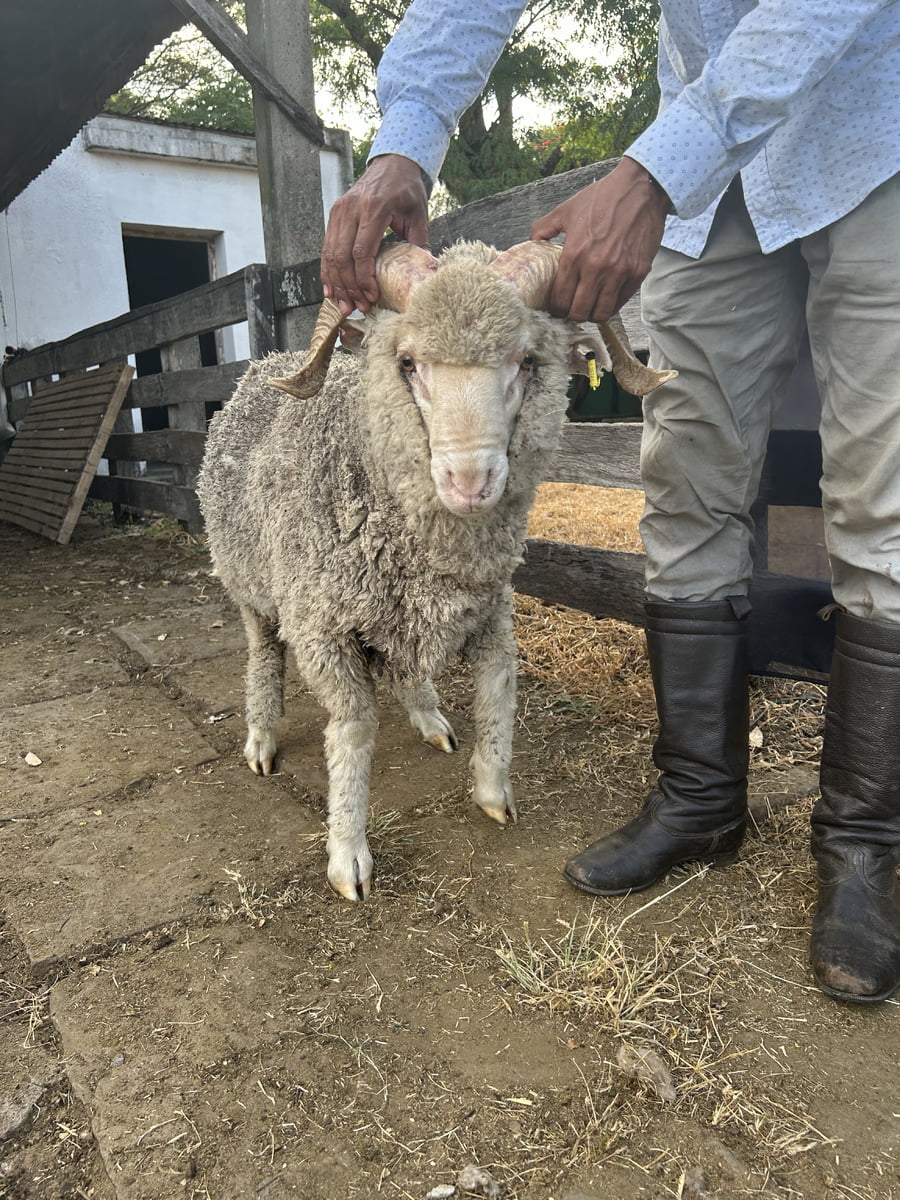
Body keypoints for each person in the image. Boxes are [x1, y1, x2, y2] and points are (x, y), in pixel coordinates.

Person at [320, 0, 900, 1005]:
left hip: (871, 134)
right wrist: (403, 145)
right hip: (710, 194)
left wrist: (657, 166)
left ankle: (860, 852)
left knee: (884, 504)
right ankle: (699, 798)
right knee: (685, 486)